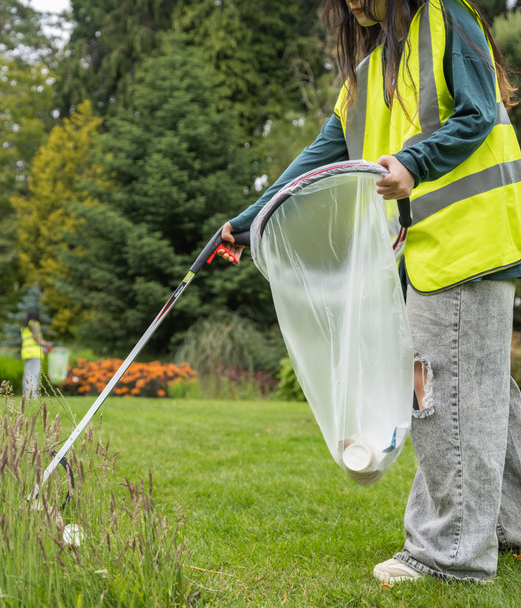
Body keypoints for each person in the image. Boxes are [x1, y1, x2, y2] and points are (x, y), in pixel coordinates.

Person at [219, 0, 521, 585]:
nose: (354, 1)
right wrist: (246, 221)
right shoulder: (367, 76)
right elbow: (315, 161)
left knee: (449, 393)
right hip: (432, 248)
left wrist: (414, 161)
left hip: (469, 239)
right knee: (485, 393)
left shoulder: (447, 15)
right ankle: (510, 524)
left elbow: (480, 113)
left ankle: (450, 554)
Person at [21, 308, 48, 399]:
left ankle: (26, 393)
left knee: (27, 374)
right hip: (34, 353)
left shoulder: (25, 325)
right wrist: (46, 343)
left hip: (26, 353)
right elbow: (36, 338)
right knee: (34, 374)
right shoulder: (34, 324)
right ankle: (32, 394)